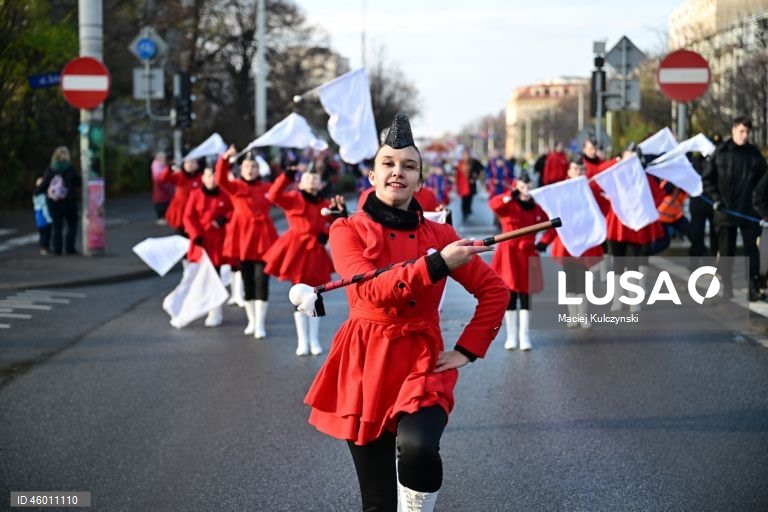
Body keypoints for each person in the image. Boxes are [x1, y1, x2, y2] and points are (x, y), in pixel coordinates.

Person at [304, 114, 508, 512]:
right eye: (389, 163)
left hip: (421, 357)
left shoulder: (441, 236)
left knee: (417, 448)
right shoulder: (347, 230)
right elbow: (372, 289)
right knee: (377, 502)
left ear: (420, 181)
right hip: (366, 362)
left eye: (409, 166)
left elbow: (494, 290)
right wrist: (436, 265)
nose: (398, 171)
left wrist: (468, 350)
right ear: (373, 176)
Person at [264, 165, 345, 356]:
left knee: (316, 293)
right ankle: (303, 340)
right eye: (308, 178)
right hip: (297, 249)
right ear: (300, 181)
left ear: (321, 183)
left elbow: (335, 223)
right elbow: (274, 196)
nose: (312, 181)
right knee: (299, 294)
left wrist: (327, 231)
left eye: (315, 178)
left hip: (316, 251)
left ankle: (314, 339)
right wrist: (286, 176)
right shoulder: (293, 198)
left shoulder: (325, 203)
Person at [216, 146, 278, 338]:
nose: (250, 170)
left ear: (259, 169)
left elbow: (281, 193)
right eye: (246, 166)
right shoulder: (236, 187)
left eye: (253, 166)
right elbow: (220, 179)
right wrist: (225, 159)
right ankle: (252, 320)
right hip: (243, 239)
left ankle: (260, 323)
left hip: (263, 238)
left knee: (262, 280)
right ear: (241, 170)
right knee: (247, 281)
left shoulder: (266, 188)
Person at [703, 116, 767, 301]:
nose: (745, 135)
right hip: (725, 211)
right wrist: (715, 199)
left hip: (749, 211)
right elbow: (707, 180)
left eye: (747, 132)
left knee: (751, 251)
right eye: (741, 131)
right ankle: (727, 287)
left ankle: (753, 287)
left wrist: (761, 208)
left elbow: (764, 182)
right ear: (733, 130)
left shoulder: (754, 154)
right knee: (726, 252)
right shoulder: (721, 152)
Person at [489, 179, 549, 350]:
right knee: (510, 295)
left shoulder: (537, 208)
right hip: (508, 254)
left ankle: (524, 335)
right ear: (516, 188)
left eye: (529, 187)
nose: (526, 190)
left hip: (528, 252)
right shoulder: (509, 205)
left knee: (526, 296)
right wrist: (509, 195)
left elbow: (552, 224)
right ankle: (511, 336)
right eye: (522, 187)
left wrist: (543, 242)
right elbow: (494, 205)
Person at [182, 165, 233, 327]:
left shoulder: (225, 195)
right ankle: (197, 305)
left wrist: (224, 218)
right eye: (209, 175)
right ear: (203, 178)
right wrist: (195, 234)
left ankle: (215, 311)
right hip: (201, 242)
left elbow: (234, 209)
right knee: (198, 277)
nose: (212, 179)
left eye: (215, 176)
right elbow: (188, 217)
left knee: (216, 276)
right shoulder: (195, 195)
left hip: (218, 242)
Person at [41, 146, 82, 255]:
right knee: (72, 224)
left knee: (57, 226)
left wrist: (36, 191)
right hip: (69, 200)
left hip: (53, 201)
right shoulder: (70, 168)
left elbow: (44, 184)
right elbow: (78, 182)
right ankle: (70, 249)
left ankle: (57, 250)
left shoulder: (50, 168)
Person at [159, 157, 202, 235]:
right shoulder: (179, 175)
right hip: (181, 208)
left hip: (195, 208)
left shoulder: (201, 177)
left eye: (193, 162)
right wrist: (169, 167)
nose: (190, 164)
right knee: (180, 232)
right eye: (187, 162)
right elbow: (163, 178)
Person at [151, 152, 174, 225]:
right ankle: (160, 218)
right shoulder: (156, 165)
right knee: (161, 203)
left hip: (165, 187)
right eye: (163, 158)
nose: (164, 159)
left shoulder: (162, 165)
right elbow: (159, 177)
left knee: (166, 203)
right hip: (160, 187)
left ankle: (164, 217)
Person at [33, 177, 52, 255]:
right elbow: (44, 208)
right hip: (44, 217)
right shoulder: (43, 196)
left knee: (42, 233)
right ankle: (44, 248)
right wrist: (49, 219)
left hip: (38, 216)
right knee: (46, 234)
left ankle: (44, 247)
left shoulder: (35, 194)